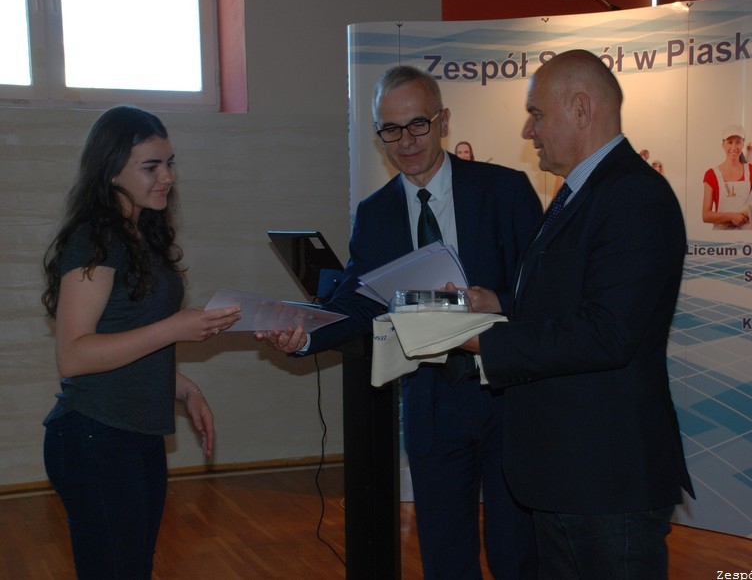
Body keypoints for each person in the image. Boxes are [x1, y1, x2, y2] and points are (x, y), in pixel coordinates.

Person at [258, 66, 542, 579]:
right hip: (432, 402)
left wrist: (494, 300)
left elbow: (546, 292)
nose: (406, 141)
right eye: (391, 129)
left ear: (444, 121)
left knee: (516, 553)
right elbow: (359, 303)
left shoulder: (505, 190)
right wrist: (303, 335)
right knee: (444, 556)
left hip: (508, 397)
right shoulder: (376, 213)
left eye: (417, 124)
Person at [460, 49, 694, 579]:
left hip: (605, 479)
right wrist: (498, 304)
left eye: (536, 114)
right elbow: (575, 298)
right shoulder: (584, 191)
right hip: (569, 472)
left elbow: (608, 332)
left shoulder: (634, 196)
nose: (528, 131)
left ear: (582, 109)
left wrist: (484, 342)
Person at [40, 106, 241, 579]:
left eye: (170, 163)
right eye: (151, 167)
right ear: (111, 169)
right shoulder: (94, 239)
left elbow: (126, 339)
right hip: (95, 436)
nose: (167, 177)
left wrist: (185, 389)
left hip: (138, 434)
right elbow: (74, 355)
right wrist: (174, 328)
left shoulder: (141, 233)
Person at [702, 125, 752, 229]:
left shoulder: (750, 170)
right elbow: (705, 215)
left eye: (738, 142)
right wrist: (731, 217)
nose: (734, 147)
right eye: (730, 142)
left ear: (743, 144)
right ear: (723, 144)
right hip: (721, 237)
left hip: (747, 235)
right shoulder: (711, 174)